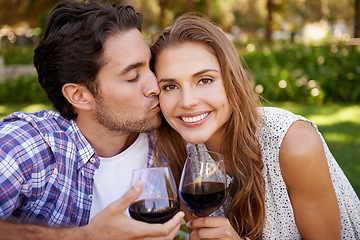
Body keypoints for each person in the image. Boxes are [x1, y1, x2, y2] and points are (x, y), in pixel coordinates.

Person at [150, 14, 360, 240]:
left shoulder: (293, 143)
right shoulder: (184, 158)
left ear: (232, 80)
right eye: (170, 86)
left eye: (205, 80)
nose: (188, 101)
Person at [0, 0, 185, 239]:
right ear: (79, 96)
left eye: (150, 66)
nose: (155, 86)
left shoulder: (172, 138)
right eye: (132, 76)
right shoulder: (30, 145)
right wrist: (86, 236)